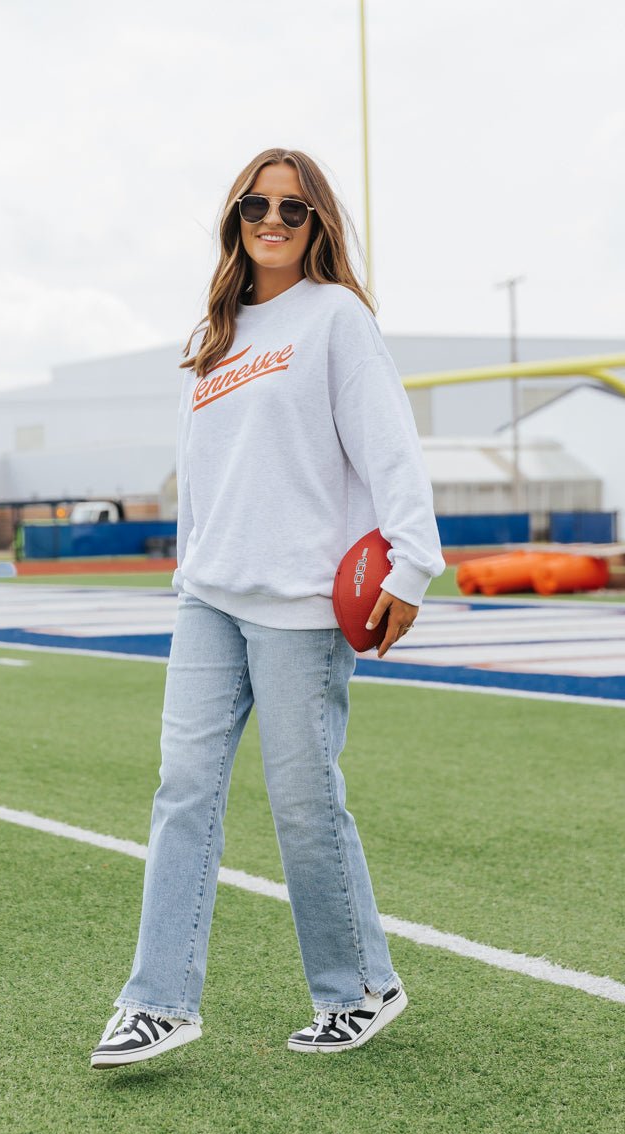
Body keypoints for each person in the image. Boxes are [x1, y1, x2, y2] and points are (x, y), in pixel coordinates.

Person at [90, 148, 445, 1068]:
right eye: (256, 204)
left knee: (301, 802)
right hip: (210, 598)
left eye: (292, 206)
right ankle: (159, 1001)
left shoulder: (337, 320)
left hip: (299, 606)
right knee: (182, 791)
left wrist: (412, 568)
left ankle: (360, 988)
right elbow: (201, 474)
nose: (273, 218)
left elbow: (389, 448)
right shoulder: (212, 334)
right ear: (235, 219)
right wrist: (186, 571)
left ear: (318, 220)